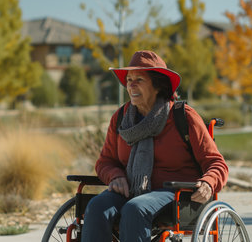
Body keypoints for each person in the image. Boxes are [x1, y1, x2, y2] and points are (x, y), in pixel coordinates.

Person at [81, 50, 228, 242]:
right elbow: (105, 162)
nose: (131, 84)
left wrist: (209, 182)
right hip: (130, 190)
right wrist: (114, 176)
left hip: (175, 195)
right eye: (128, 80)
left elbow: (216, 163)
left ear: (158, 86)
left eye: (139, 79)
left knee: (135, 208)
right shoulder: (120, 119)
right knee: (97, 206)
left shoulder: (183, 117)